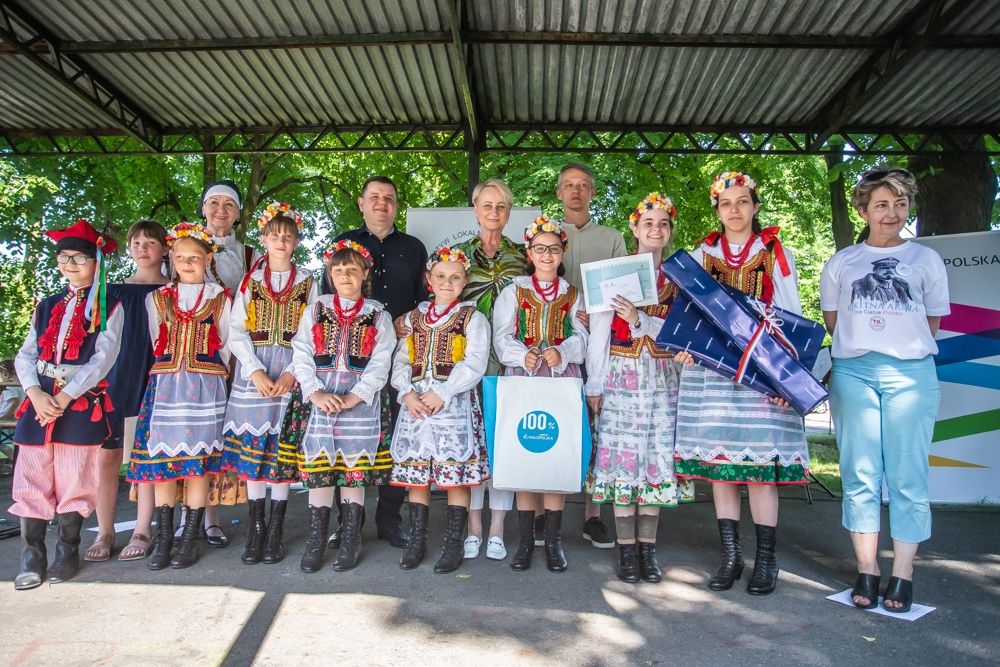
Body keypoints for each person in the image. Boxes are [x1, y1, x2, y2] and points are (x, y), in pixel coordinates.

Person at [673, 172, 809, 596]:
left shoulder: (772, 252)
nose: (735, 210)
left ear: (754, 206)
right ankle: (730, 557)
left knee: (759, 474)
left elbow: (791, 313)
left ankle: (766, 560)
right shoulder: (703, 252)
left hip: (759, 373)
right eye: (726, 203)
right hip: (712, 374)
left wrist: (785, 378)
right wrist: (683, 344)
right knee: (721, 470)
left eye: (742, 201)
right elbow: (687, 308)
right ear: (717, 209)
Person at [821, 167, 949, 613]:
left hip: (912, 374)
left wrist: (899, 345)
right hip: (855, 371)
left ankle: (904, 574)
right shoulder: (842, 261)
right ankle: (867, 570)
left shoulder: (927, 260)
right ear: (863, 210)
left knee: (908, 477)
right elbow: (834, 322)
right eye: (881, 204)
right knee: (859, 474)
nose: (891, 212)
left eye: (899, 204)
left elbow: (931, 322)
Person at [585, 193, 694, 584]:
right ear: (634, 228)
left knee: (655, 457)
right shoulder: (611, 273)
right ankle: (626, 549)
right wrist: (594, 383)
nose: (656, 229)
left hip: (664, 376)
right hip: (621, 374)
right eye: (649, 223)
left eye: (663, 224)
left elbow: (684, 333)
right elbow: (598, 333)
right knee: (622, 458)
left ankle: (648, 549)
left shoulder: (681, 276)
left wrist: (641, 320)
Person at [10, 220, 124, 590]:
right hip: (40, 399)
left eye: (79, 257)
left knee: (75, 478)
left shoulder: (110, 307)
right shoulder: (46, 306)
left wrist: (65, 394)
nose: (70, 264)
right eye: (64, 257)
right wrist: (34, 392)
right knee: (32, 476)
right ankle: (32, 555)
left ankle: (67, 550)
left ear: (96, 262)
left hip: (76, 401)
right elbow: (26, 355)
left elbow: (102, 360)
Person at [126, 222, 233, 571]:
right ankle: (165, 534)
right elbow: (158, 336)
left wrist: (216, 372)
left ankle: (189, 538)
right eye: (181, 257)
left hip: (205, 386)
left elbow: (228, 342)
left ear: (206, 260)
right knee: (164, 465)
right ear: (171, 258)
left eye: (195, 257)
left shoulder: (219, 298)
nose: (187, 263)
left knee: (198, 463)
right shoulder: (156, 299)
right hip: (168, 386)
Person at [286, 240, 396, 573]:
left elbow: (381, 362)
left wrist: (356, 395)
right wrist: (315, 392)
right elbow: (301, 352)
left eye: (352, 269)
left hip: (359, 403)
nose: (345, 275)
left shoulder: (378, 314)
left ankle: (351, 537)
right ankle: (316, 539)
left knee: (353, 468)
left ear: (365, 273)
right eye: (338, 270)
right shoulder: (316, 308)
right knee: (320, 467)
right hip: (321, 399)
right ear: (330, 274)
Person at [333, 176, 427, 549]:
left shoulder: (414, 247)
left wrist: (411, 318)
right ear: (361, 202)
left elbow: (426, 296)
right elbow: (329, 296)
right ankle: (346, 522)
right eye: (374, 197)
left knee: (394, 437)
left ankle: (390, 520)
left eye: (389, 198)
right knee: (346, 435)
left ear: (397, 204)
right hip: (349, 356)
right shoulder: (344, 244)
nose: (381, 203)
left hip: (399, 355)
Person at [221, 203, 317, 565]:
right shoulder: (251, 281)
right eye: (274, 235)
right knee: (254, 452)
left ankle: (275, 528)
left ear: (296, 242)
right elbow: (236, 330)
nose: (281, 241)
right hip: (256, 372)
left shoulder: (309, 281)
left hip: (291, 369)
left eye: (288, 236)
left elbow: (311, 332)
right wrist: (254, 370)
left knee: (280, 450)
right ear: (263, 239)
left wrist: (294, 370)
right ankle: (256, 528)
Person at [492, 216, 588, 573]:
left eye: (554, 248)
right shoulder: (514, 290)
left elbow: (584, 337)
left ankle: (553, 540)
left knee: (555, 454)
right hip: (524, 378)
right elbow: (501, 335)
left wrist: (563, 351)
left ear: (562, 252)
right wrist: (522, 353)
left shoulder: (573, 293)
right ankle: (526, 542)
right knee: (526, 452)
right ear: (529, 254)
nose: (547, 254)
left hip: (562, 380)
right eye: (539, 248)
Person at [391, 246, 490, 573]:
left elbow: (475, 363)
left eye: (455, 277)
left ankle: (452, 542)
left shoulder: (472, 318)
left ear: (465, 281)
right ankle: (417, 540)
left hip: (453, 404)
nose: (447, 283)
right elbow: (402, 360)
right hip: (416, 405)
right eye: (441, 277)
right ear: (429, 280)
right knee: (418, 475)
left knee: (454, 474)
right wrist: (406, 393)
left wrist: (444, 391)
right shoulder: (413, 319)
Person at [86, 220, 170, 563]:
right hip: (116, 379)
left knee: (145, 457)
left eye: (150, 241)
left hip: (155, 379)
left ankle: (142, 529)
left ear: (165, 248)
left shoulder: (174, 290)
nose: (142, 247)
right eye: (136, 241)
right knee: (107, 457)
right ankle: (105, 530)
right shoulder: (112, 291)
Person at [453, 178, 526, 561]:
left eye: (501, 206)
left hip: (511, 363)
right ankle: (473, 525)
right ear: (476, 207)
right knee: (472, 443)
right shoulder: (457, 255)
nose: (494, 212)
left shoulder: (524, 255)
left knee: (503, 443)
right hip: (467, 361)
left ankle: (497, 527)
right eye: (487, 205)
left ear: (508, 212)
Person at [554, 162, 625, 550]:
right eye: (569, 185)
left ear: (592, 192)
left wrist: (597, 309)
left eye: (583, 185)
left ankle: (593, 516)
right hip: (552, 344)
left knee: (596, 428)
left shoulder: (612, 237)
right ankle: (548, 514)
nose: (576, 191)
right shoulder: (546, 235)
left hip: (599, 345)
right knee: (557, 426)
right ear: (559, 193)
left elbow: (625, 289)